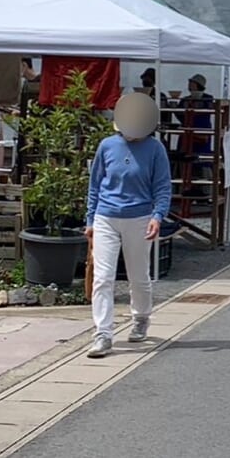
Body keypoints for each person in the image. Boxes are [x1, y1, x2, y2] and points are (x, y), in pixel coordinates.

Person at [85, 105, 172, 358]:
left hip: (140, 217)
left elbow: (163, 186)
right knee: (103, 277)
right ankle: (103, 333)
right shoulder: (107, 146)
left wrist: (158, 216)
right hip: (106, 216)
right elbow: (95, 184)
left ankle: (141, 317)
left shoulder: (155, 149)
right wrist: (90, 219)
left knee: (138, 275)